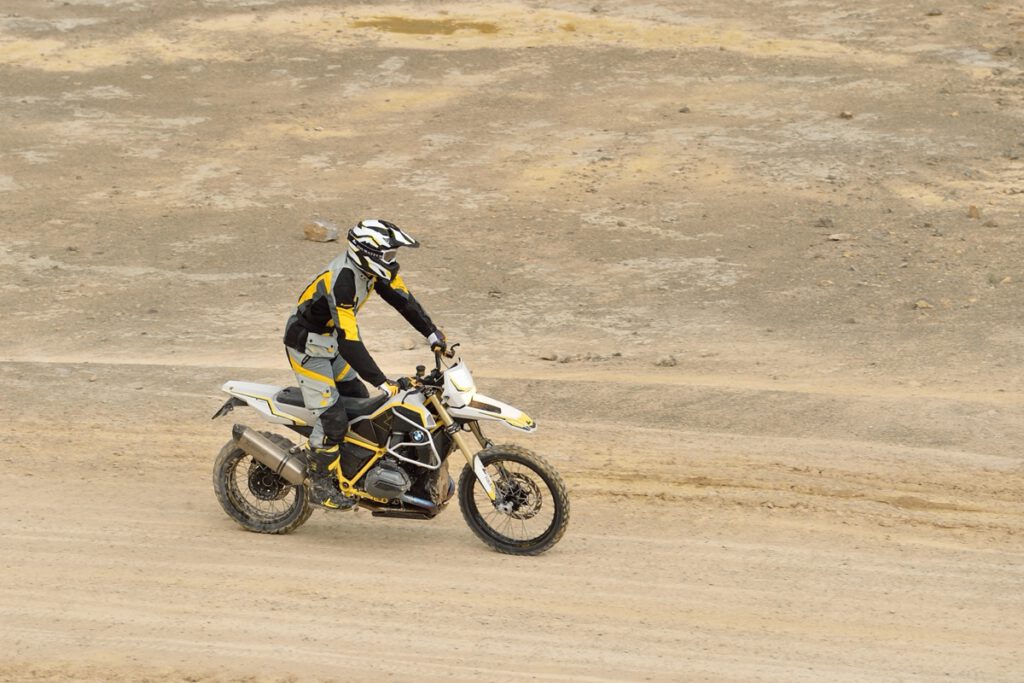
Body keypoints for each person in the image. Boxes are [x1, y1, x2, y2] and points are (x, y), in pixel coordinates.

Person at [282, 219, 448, 509]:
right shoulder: (343, 281)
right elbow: (350, 340)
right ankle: (320, 483)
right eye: (388, 255)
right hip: (307, 346)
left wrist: (432, 332)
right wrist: (381, 380)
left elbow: (403, 301)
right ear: (367, 253)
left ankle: (351, 470)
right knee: (333, 418)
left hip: (329, 342)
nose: (392, 261)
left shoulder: (370, 271)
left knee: (358, 402)